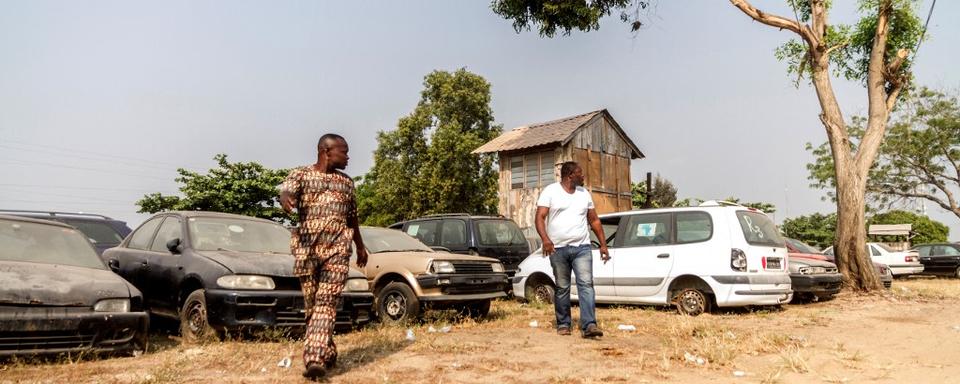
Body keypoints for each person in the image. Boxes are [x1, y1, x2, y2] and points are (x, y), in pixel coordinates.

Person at [280, 133, 368, 380]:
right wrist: (285, 197)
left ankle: (314, 359)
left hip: (338, 250)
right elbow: (287, 189)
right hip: (308, 251)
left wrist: (360, 246)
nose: (348, 156)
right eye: (344, 151)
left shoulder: (347, 183)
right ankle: (327, 351)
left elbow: (352, 217)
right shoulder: (302, 174)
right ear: (326, 151)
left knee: (326, 302)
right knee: (313, 307)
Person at [534, 161, 609, 338]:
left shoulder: (584, 194)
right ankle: (563, 324)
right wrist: (545, 240)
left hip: (582, 247)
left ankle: (589, 325)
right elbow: (540, 217)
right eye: (580, 173)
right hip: (557, 249)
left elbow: (594, 220)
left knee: (586, 285)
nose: (583, 176)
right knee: (562, 287)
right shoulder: (550, 191)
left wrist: (603, 244)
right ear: (570, 176)